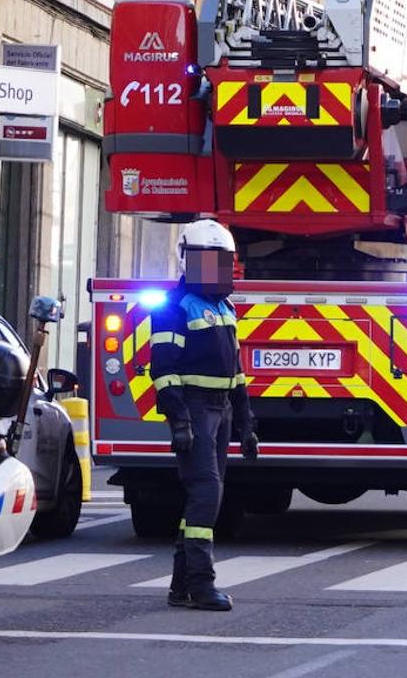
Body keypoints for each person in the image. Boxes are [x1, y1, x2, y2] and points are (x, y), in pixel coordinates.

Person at [150, 219, 258, 611]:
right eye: (206, 260)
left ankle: (181, 586)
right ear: (186, 260)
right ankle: (200, 584)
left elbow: (237, 369)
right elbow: (162, 369)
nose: (215, 268)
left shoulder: (225, 307)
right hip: (195, 410)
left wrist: (247, 423)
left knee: (205, 496)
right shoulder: (174, 307)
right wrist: (178, 420)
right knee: (206, 493)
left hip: (222, 410)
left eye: (221, 260)